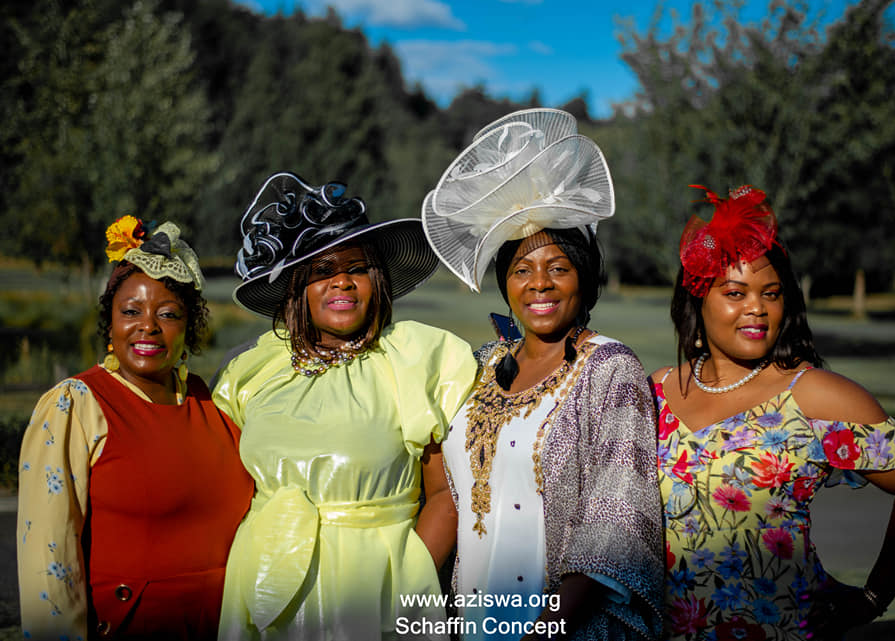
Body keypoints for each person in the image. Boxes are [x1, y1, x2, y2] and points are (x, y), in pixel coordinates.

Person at [652, 184, 895, 640]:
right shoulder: (657, 391)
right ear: (698, 300)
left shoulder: (813, 395)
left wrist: (873, 597)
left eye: (771, 294)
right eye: (735, 293)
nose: (756, 307)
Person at [422, 108, 664, 641]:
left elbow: (616, 520)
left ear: (585, 277)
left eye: (558, 267)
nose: (540, 284)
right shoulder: (481, 368)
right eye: (522, 270)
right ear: (505, 284)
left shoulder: (611, 370)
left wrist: (545, 633)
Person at [211, 172, 477, 640]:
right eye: (321, 271)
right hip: (262, 588)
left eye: (355, 268)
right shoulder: (253, 372)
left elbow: (445, 495)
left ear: (375, 280)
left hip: (377, 595)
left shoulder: (416, 360)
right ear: (298, 288)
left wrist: (406, 581)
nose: (342, 283)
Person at [17, 217, 254, 641]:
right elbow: (48, 561)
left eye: (168, 314)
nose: (148, 326)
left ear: (190, 327)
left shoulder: (211, 403)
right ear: (110, 322)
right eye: (131, 311)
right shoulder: (77, 405)